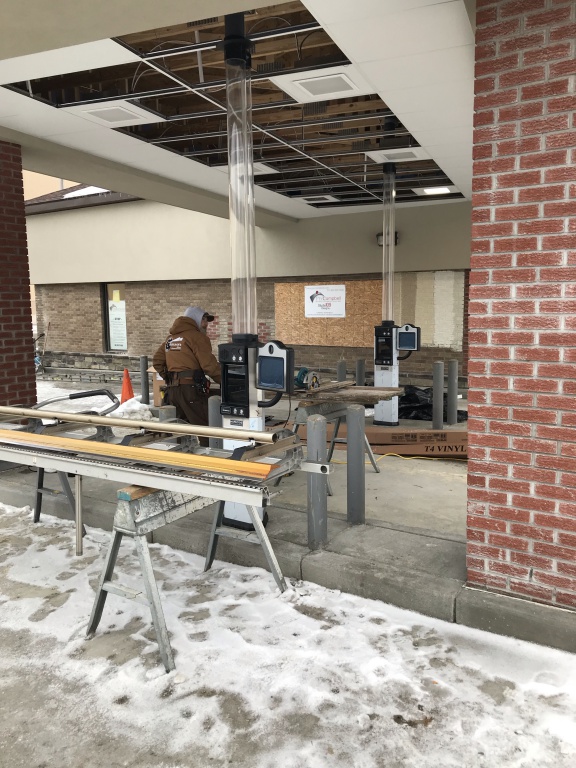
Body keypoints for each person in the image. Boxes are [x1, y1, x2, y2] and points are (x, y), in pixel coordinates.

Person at [152, 306, 221, 443]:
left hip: (172, 391)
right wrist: (226, 382)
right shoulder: (197, 337)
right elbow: (209, 366)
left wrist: (171, 377)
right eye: (205, 320)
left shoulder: (171, 339)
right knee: (206, 428)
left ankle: (179, 458)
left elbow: (157, 361)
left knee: (176, 430)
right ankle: (209, 459)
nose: (206, 324)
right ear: (197, 319)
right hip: (191, 391)